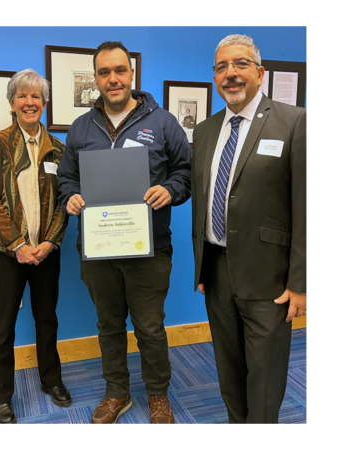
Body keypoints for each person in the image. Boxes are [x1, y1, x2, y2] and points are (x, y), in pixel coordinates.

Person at [57, 41, 191, 424]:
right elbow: (67, 178)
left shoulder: (163, 122)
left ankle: (157, 395)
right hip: (98, 250)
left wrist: (171, 189)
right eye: (104, 72)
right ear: (95, 78)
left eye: (119, 70)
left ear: (131, 73)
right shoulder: (82, 127)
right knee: (108, 326)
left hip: (149, 249)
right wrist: (71, 196)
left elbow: (185, 172)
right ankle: (117, 392)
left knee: (150, 327)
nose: (112, 79)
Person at [191, 34, 306, 423]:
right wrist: (204, 264)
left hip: (270, 278)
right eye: (222, 67)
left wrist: (301, 282)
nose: (230, 74)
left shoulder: (294, 122)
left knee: (265, 376)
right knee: (228, 369)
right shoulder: (205, 131)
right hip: (217, 271)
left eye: (240, 64)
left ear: (260, 73)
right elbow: (204, 199)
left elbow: (308, 208)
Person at [0, 69, 70, 424]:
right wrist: (18, 244)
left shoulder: (58, 149)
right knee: (2, 325)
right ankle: (1, 397)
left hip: (47, 250)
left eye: (36, 97)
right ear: (11, 103)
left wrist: (49, 242)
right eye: (22, 96)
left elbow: (66, 199)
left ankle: (52, 380)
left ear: (44, 104)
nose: (29, 102)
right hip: (7, 252)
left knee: (47, 319)